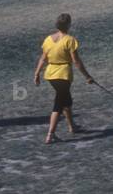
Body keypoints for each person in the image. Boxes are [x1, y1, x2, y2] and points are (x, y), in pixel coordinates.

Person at [33, 13, 94, 144]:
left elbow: (43, 58)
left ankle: (72, 126)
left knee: (66, 100)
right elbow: (76, 61)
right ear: (68, 25)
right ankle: (51, 134)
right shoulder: (70, 40)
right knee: (59, 104)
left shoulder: (48, 39)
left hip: (51, 75)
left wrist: (37, 74)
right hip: (63, 75)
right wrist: (87, 76)